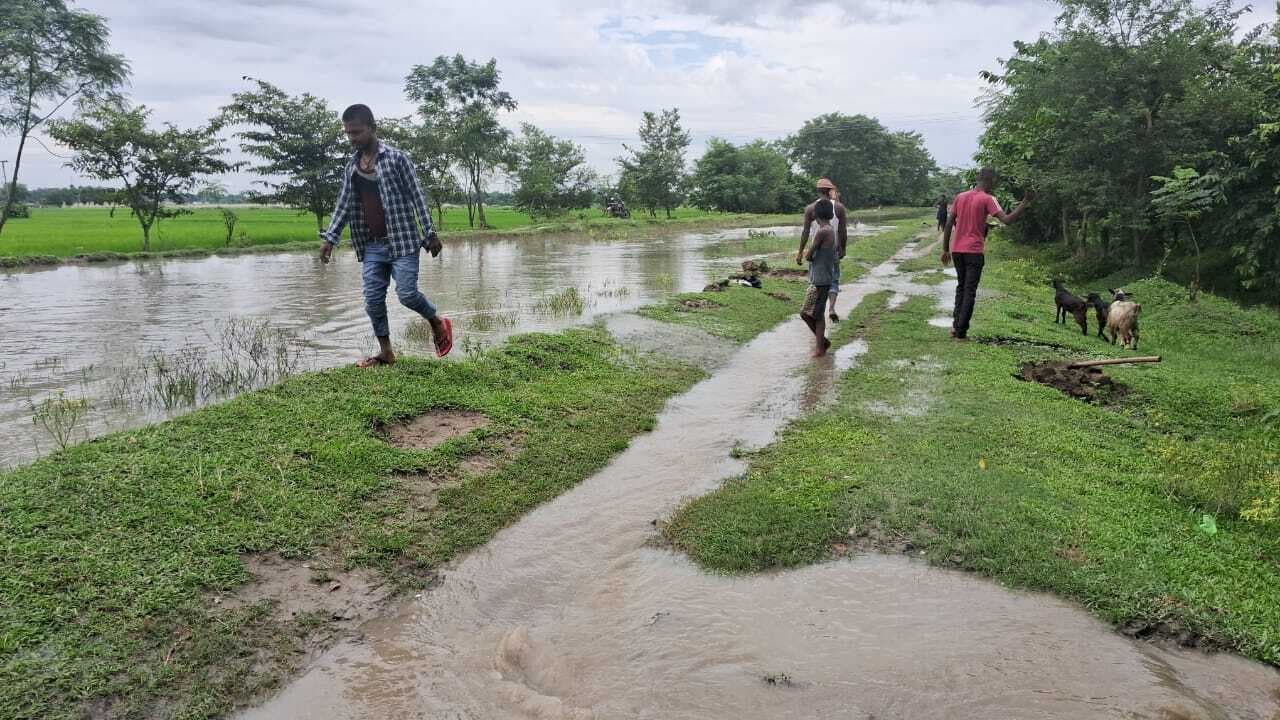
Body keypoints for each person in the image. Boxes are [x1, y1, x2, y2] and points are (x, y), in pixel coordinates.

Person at [319, 104, 452, 366]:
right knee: (373, 301)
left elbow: (417, 197)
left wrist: (430, 233)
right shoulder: (352, 167)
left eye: (357, 132)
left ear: (372, 128)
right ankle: (387, 351)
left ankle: (437, 322)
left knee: (407, 294)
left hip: (402, 241)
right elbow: (344, 205)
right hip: (371, 246)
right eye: (348, 133)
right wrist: (330, 239)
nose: (352, 138)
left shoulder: (397, 159)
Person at [940, 167, 1033, 340]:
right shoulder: (988, 198)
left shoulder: (960, 197)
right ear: (991, 181)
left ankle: (955, 326)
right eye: (995, 181)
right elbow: (1007, 220)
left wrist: (945, 249)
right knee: (969, 291)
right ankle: (961, 331)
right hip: (974, 252)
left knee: (961, 287)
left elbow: (948, 224)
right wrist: (1025, 202)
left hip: (957, 250)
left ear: (978, 178)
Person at [796, 178, 848, 322]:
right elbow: (843, 231)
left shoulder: (810, 208)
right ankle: (831, 307)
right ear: (830, 190)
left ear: (818, 191)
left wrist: (800, 252)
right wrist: (843, 248)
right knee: (834, 279)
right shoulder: (839, 207)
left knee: (815, 280)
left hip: (816, 250)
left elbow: (805, 231)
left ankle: (816, 310)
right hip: (833, 249)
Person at [800, 198, 839, 357]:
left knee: (810, 314)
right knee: (811, 313)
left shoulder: (822, 231)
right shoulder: (830, 229)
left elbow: (809, 255)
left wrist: (805, 254)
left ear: (816, 213)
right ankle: (822, 343)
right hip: (821, 278)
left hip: (820, 280)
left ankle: (820, 346)